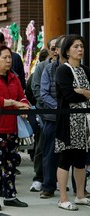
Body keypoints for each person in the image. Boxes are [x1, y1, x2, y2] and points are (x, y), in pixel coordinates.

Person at [0, 45, 29, 208]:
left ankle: (10, 196)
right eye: (5, 58)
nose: (9, 61)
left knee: (11, 162)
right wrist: (13, 103)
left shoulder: (14, 77)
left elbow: (22, 96)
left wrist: (23, 105)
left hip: (12, 127)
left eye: (10, 57)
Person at [55, 34, 90, 210]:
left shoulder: (85, 69)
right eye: (76, 46)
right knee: (65, 158)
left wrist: (82, 91)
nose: (80, 49)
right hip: (68, 123)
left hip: (84, 123)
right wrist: (86, 93)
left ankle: (80, 195)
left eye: (82, 46)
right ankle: (62, 198)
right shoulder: (63, 70)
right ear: (67, 50)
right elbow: (69, 95)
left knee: (81, 159)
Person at [29, 37, 58, 192]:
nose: (55, 51)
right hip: (44, 113)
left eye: (58, 48)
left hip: (62, 115)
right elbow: (37, 90)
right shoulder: (42, 67)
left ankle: (54, 179)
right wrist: (48, 107)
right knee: (43, 147)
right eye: (53, 48)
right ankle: (39, 178)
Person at [39, 35, 66, 199]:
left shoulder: (79, 68)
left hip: (72, 117)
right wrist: (59, 108)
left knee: (75, 155)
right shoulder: (48, 69)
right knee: (49, 153)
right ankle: (48, 186)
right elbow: (44, 93)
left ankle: (80, 189)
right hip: (52, 117)